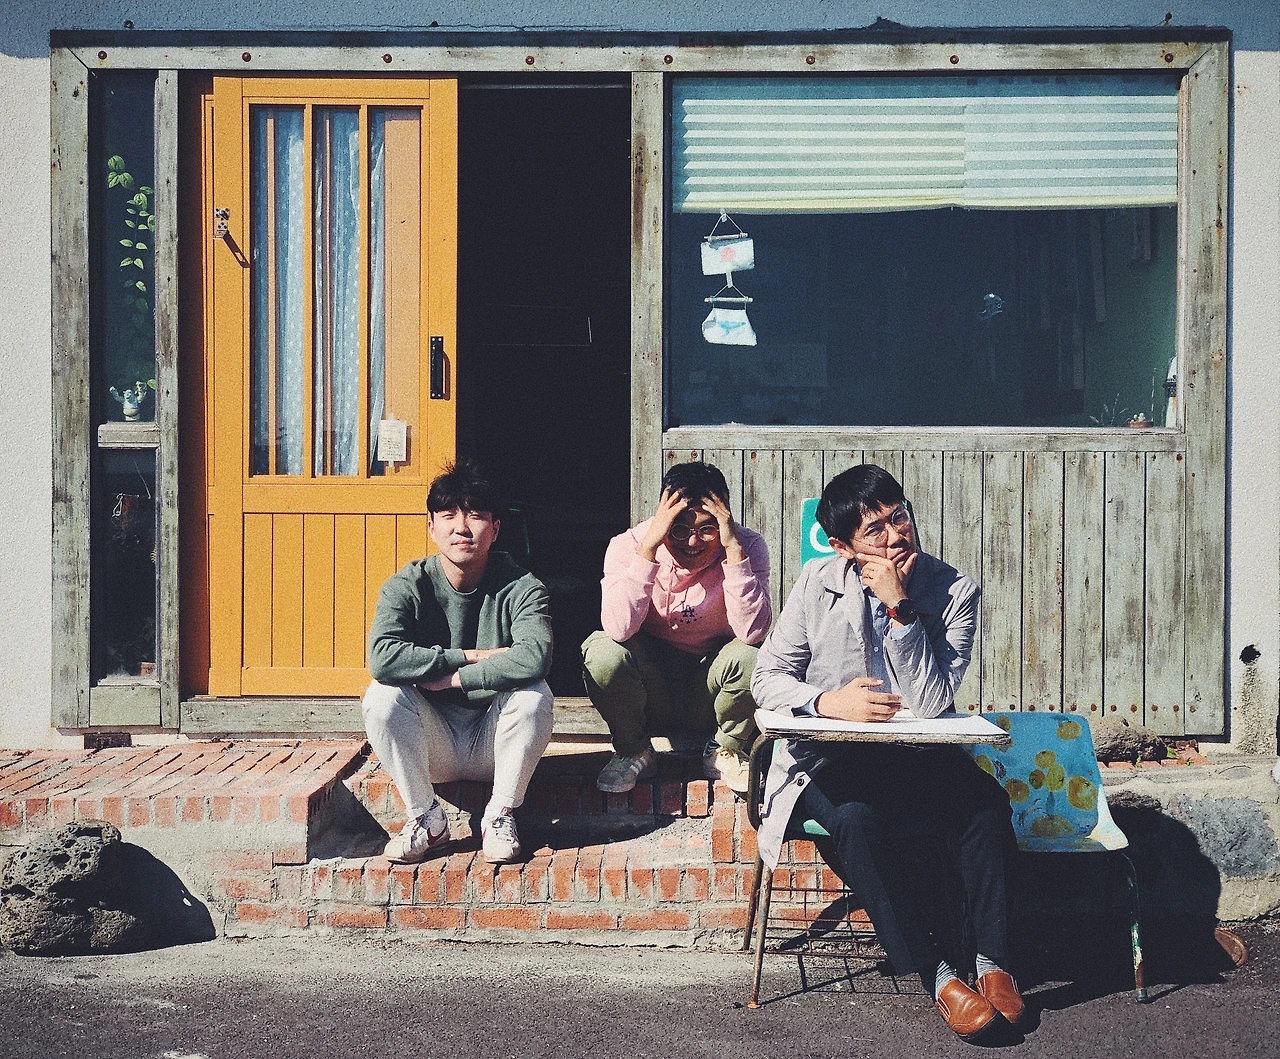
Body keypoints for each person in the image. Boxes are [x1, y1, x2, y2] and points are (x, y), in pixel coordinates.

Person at [751, 465, 1023, 1042]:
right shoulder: (816, 582)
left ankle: (994, 963)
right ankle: (938, 974)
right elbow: (767, 679)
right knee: (856, 821)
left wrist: (900, 609)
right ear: (842, 546)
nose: (896, 535)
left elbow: (931, 701)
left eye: (899, 517)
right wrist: (828, 703)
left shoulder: (953, 590)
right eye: (874, 530)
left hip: (917, 755)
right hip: (828, 757)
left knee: (984, 804)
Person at [362, 459, 554, 865]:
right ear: (431, 527)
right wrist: (468, 656)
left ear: (496, 529)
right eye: (448, 516)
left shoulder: (522, 586)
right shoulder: (407, 584)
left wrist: (455, 679)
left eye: (476, 516)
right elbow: (382, 657)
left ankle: (499, 815)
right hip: (432, 744)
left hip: (494, 741)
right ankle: (426, 820)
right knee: (381, 696)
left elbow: (534, 656)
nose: (461, 528)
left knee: (535, 695)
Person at [582, 461, 771, 795]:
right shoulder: (629, 544)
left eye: (707, 529)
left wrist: (733, 552)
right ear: (662, 519)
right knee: (602, 651)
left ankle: (726, 749)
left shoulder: (747, 546)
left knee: (756, 655)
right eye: (679, 529)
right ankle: (633, 750)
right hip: (650, 688)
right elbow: (618, 628)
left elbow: (753, 632)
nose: (692, 542)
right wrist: (648, 550)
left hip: (710, 691)